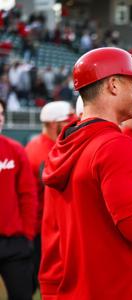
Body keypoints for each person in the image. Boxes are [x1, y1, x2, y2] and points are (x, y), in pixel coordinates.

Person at [39, 47, 132, 299]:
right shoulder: (114, 145)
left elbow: (87, 212)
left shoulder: (64, 144)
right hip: (118, 288)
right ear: (114, 84)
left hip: (76, 289)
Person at [25, 100, 74, 293]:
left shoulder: (39, 146)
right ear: (54, 124)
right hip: (43, 230)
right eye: (68, 119)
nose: (73, 123)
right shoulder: (42, 151)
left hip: (48, 227)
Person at [0, 98, 38, 300]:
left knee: (22, 295)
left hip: (14, 242)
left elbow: (28, 195)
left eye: (1, 115)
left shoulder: (15, 150)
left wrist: (28, 235)